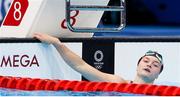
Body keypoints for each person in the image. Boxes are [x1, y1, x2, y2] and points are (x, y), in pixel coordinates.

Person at [33, 33, 164, 84]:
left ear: (158, 74)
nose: (149, 65)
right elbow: (81, 66)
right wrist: (57, 43)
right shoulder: (118, 83)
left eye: (155, 64)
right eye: (146, 61)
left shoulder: (162, 93)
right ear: (137, 66)